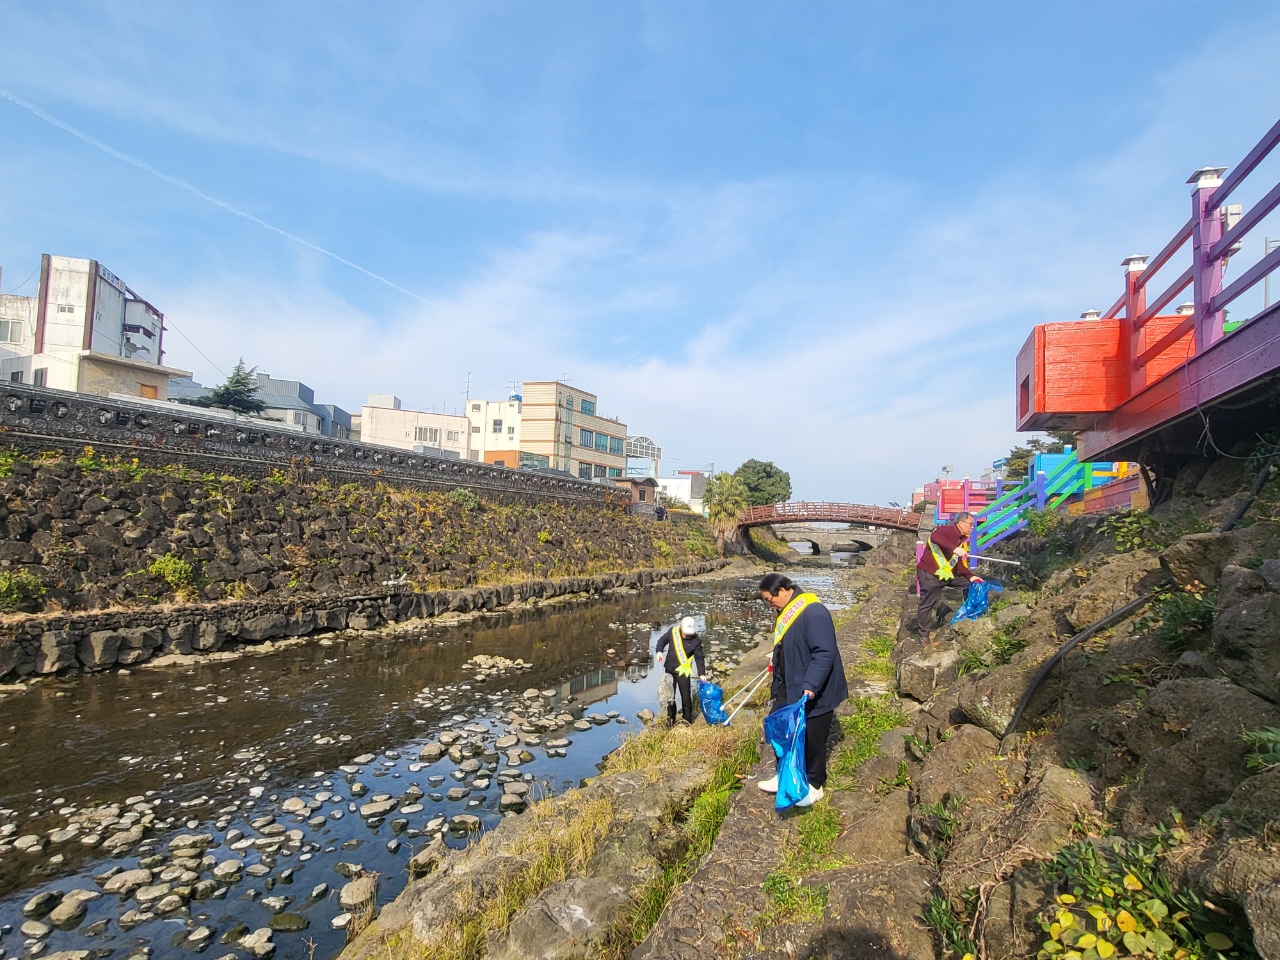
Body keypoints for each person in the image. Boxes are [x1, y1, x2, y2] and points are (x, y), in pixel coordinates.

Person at [757, 573, 848, 807]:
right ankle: (785, 776)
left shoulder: (814, 612)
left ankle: (815, 785)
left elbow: (824, 652)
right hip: (788, 684)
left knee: (813, 738)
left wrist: (811, 685)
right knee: (780, 730)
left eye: (770, 599)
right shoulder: (785, 612)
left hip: (814, 688)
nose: (770, 604)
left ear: (784, 591)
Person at [915, 511, 983, 637]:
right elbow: (935, 537)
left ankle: (968, 617)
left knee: (970, 584)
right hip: (930, 574)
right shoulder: (946, 530)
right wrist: (955, 549)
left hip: (948, 574)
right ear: (961, 523)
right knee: (927, 604)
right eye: (971, 524)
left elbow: (958, 564)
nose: (972, 527)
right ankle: (923, 636)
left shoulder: (961, 539)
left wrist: (971, 576)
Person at [654, 616, 707, 724]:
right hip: (669, 668)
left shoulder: (696, 640)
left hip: (683, 671)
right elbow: (662, 641)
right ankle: (671, 718)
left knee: (686, 697)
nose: (687, 634)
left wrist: (701, 673)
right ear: (681, 626)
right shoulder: (673, 631)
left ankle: (687, 720)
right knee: (669, 696)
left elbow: (699, 657)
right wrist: (659, 651)